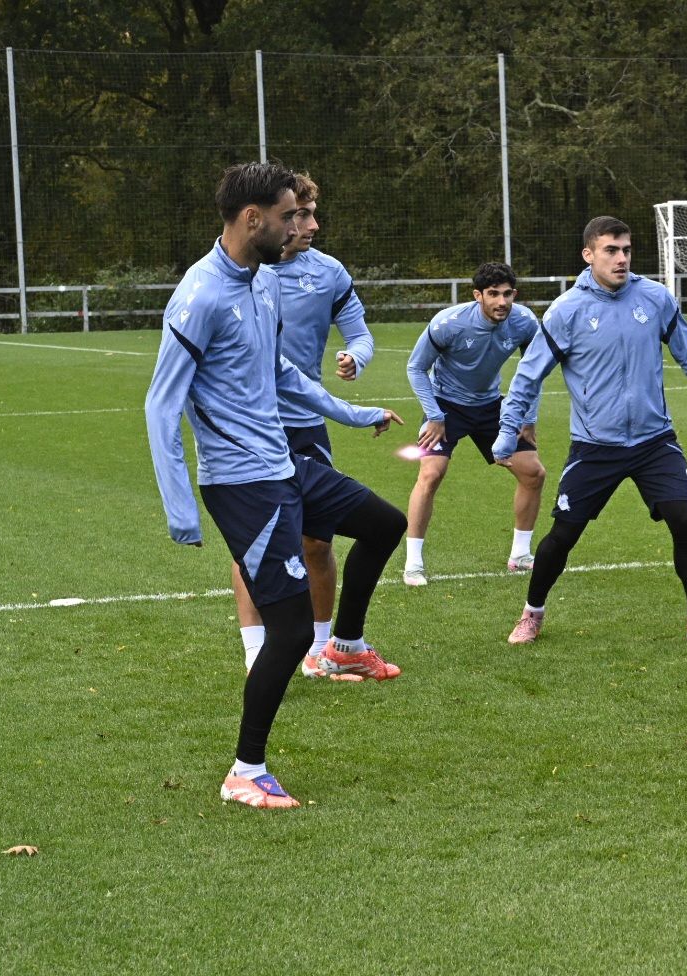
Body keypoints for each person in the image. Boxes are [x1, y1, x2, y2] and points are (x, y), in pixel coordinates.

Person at [145, 162, 408, 810]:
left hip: (286, 468)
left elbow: (285, 375)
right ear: (253, 218)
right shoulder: (200, 295)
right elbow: (160, 405)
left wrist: (357, 412)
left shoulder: (260, 284)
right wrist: (182, 508)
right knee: (289, 632)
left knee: (384, 523)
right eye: (290, 216)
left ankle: (345, 646)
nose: (301, 227)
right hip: (242, 484)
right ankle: (246, 771)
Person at [492, 216, 687, 646]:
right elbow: (528, 376)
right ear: (588, 255)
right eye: (611, 250)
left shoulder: (655, 298)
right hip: (595, 446)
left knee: (684, 519)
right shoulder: (567, 310)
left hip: (654, 441)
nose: (621, 258)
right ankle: (532, 614)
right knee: (563, 536)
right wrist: (508, 430)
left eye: (626, 249)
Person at [226, 171, 379, 680]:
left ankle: (319, 650)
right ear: (279, 218)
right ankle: (255, 652)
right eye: (301, 214)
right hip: (252, 429)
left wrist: (354, 357)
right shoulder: (245, 274)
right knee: (255, 541)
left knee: (318, 541)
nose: (312, 225)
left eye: (312, 214)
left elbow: (360, 334)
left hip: (306, 424)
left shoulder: (330, 273)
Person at [402, 262, 545, 585]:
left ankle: (520, 555)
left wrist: (527, 416)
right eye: (493, 294)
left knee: (533, 472)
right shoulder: (449, 323)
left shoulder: (523, 322)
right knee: (431, 473)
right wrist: (435, 416)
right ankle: (413, 563)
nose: (502, 302)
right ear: (477, 295)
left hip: (491, 406)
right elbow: (416, 368)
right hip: (445, 406)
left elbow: (534, 367)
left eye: (508, 294)